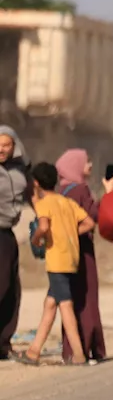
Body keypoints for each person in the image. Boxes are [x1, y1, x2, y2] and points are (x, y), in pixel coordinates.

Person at [15, 163, 96, 366]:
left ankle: (78, 354)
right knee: (50, 303)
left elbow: (43, 226)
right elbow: (89, 223)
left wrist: (36, 239)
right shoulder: (66, 202)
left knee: (65, 305)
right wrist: (69, 233)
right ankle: (34, 351)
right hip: (71, 258)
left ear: (36, 183)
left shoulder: (45, 204)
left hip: (57, 261)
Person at [55, 149, 110, 363]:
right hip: (83, 250)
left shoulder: (62, 191)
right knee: (87, 297)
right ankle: (89, 347)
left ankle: (71, 349)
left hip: (65, 251)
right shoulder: (81, 189)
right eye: (86, 161)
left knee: (70, 299)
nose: (90, 165)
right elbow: (93, 215)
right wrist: (108, 194)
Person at [0, 126, 29, 360]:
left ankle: (4, 342)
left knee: (11, 290)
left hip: (8, 234)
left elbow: (34, 195)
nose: (1, 149)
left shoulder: (20, 170)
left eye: (6, 144)